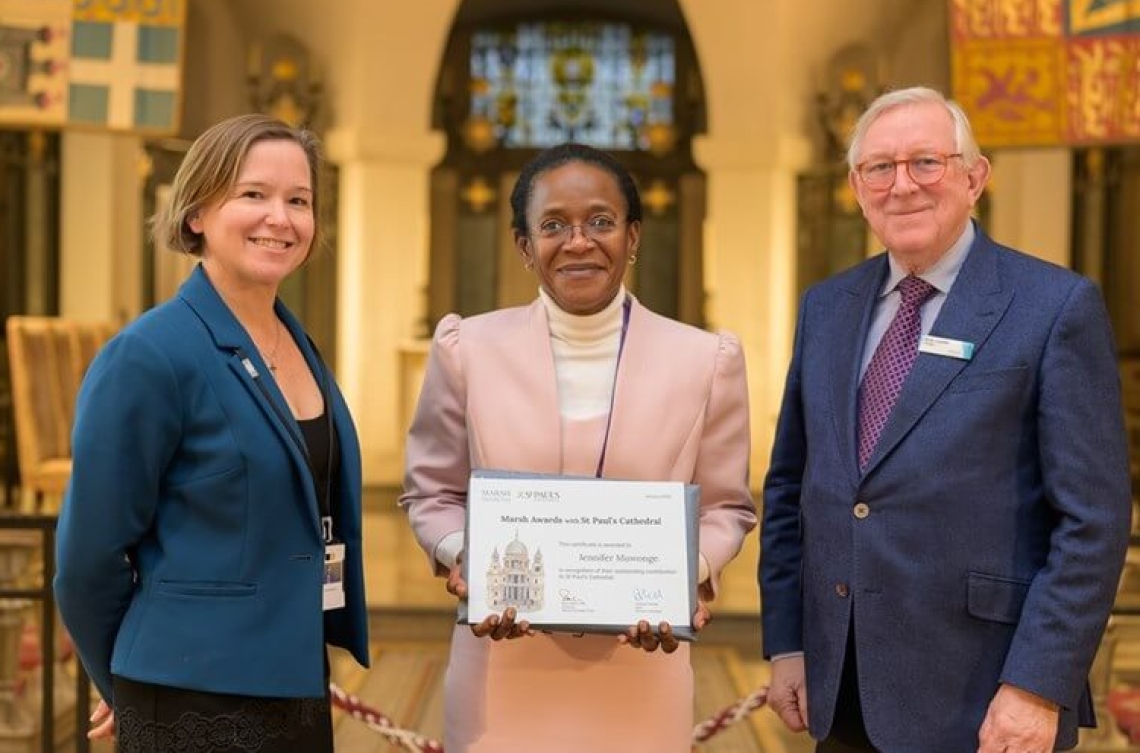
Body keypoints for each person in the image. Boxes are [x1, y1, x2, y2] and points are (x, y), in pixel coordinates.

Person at [759, 85, 1132, 752]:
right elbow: (791, 489)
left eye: (925, 162)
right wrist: (788, 641)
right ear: (857, 185)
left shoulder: (1053, 307)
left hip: (987, 699)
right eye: (880, 167)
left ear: (974, 176)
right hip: (842, 690)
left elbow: (1093, 521)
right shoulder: (827, 308)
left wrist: (1038, 684)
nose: (902, 185)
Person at [400, 142, 756, 752]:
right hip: (502, 663)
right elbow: (432, 491)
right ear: (523, 245)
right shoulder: (467, 350)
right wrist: (470, 557)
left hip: (642, 668)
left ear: (633, 235)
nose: (579, 241)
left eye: (601, 221)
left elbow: (727, 507)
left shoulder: (705, 360)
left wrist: (681, 574)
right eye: (553, 225)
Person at [53, 114, 370, 752]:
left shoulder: (297, 343)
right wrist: (128, 682)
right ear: (196, 211)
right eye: (253, 194)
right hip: (191, 699)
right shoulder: (149, 354)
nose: (280, 218)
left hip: (295, 678)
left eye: (299, 200)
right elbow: (86, 561)